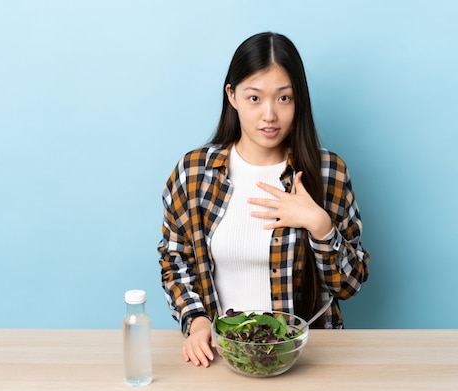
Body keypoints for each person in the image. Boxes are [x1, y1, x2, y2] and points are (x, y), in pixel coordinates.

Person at [158, 32, 370, 368]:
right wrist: (196, 321)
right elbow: (175, 261)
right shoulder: (193, 173)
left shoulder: (328, 172)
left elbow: (350, 284)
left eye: (283, 99)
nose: (269, 115)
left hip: (307, 360)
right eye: (254, 98)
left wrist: (320, 226)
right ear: (232, 95)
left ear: (298, 99)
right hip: (222, 357)